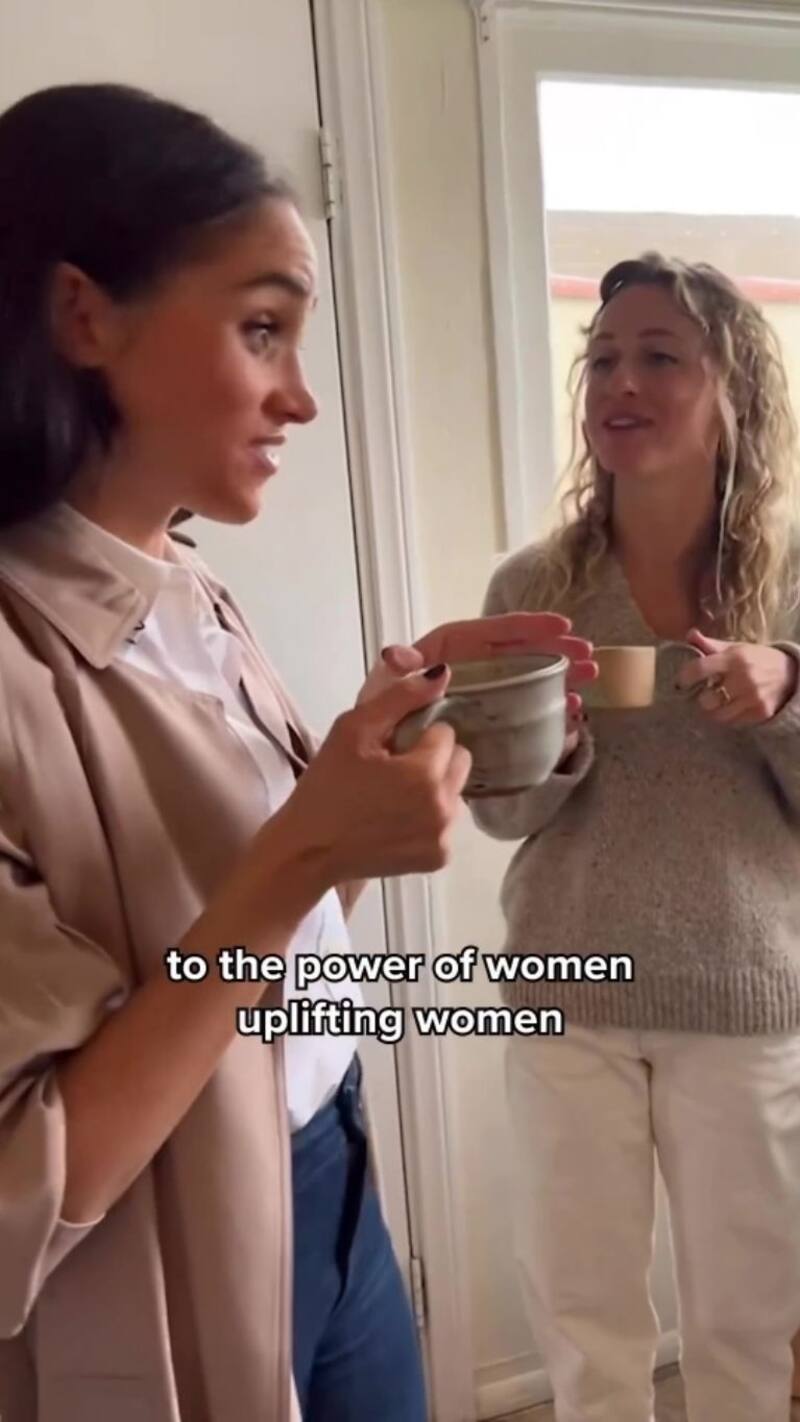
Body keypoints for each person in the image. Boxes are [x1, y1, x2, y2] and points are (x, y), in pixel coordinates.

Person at [0, 83, 595, 1422]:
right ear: (84, 314)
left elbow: (272, 929)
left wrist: (381, 756)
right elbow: (25, 1186)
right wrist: (297, 860)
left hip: (334, 1170)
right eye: (261, 327)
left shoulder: (189, 589)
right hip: (169, 1265)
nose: (304, 398)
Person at [473, 253, 800, 1422]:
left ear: (731, 394)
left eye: (659, 355)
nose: (619, 380)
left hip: (743, 992)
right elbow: (497, 812)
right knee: (583, 1322)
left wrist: (782, 692)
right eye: (601, 357)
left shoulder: (791, 584)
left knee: (745, 1324)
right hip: (566, 986)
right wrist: (551, 745)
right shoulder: (532, 585)